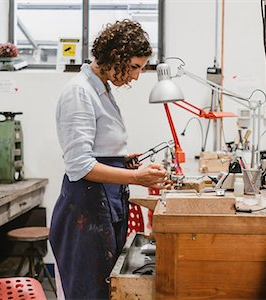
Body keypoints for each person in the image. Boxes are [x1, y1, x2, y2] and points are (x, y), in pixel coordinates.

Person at [49, 19, 170, 299]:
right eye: (135, 67)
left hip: (104, 204)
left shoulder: (101, 89)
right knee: (89, 292)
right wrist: (137, 177)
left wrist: (120, 158)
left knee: (107, 289)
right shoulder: (80, 92)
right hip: (86, 209)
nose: (137, 76)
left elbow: (95, 147)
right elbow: (80, 165)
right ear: (116, 56)